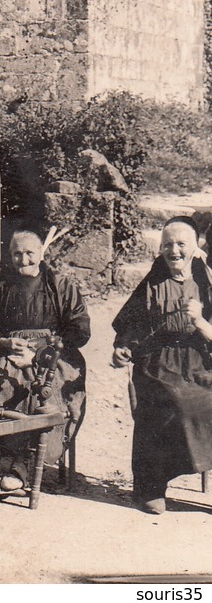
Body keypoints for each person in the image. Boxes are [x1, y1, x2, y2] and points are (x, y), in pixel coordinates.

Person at [0, 229, 91, 490]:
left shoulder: (60, 286)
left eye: (29, 253)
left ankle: (20, 464)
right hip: (6, 353)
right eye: (17, 253)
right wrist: (4, 343)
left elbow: (79, 330)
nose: (23, 260)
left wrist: (40, 350)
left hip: (54, 355)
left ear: (41, 253)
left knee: (39, 388)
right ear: (9, 256)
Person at [112, 217, 212, 514]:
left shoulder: (207, 284)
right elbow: (131, 325)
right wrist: (123, 349)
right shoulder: (152, 284)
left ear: (196, 248)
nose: (175, 251)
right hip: (158, 363)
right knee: (171, 402)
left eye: (182, 244)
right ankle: (150, 486)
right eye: (168, 244)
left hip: (199, 360)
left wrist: (200, 321)